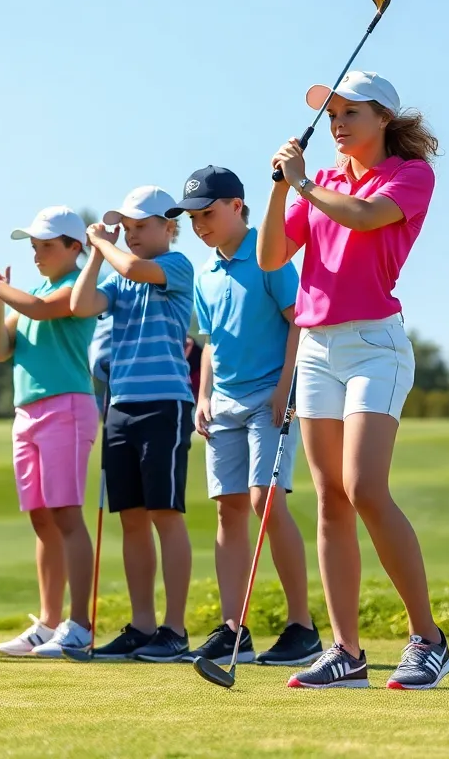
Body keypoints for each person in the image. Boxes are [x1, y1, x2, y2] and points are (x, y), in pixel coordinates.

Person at [257, 70, 449, 690]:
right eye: (332, 113)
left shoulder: (409, 176)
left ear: (383, 121)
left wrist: (305, 185)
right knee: (330, 498)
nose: (338, 123)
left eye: (351, 112)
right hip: (316, 347)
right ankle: (346, 651)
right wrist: (278, 191)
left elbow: (367, 218)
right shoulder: (324, 184)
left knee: (365, 487)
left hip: (375, 345)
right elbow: (268, 257)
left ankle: (429, 638)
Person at [171, 165, 322, 666]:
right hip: (225, 403)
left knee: (265, 500)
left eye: (207, 214)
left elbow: (297, 324)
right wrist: (204, 396)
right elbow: (211, 342)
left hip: (268, 397)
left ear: (237, 206)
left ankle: (302, 627)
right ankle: (234, 627)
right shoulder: (207, 273)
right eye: (192, 218)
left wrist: (286, 389)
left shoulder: (269, 254)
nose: (199, 225)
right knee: (228, 508)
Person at [0, 206, 99, 658]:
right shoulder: (31, 290)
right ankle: (48, 623)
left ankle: (79, 625)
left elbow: (40, 308)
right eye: (33, 246)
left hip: (67, 408)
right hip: (28, 414)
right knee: (42, 519)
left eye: (46, 246)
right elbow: (0, 350)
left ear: (74, 247)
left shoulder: (76, 287)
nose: (37, 253)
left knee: (66, 516)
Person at [70, 186, 195, 661]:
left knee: (165, 514)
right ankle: (143, 626)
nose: (133, 234)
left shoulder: (176, 266)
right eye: (129, 227)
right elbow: (81, 305)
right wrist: (96, 254)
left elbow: (133, 267)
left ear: (169, 227)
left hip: (165, 404)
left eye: (142, 226)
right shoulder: (119, 276)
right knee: (132, 519)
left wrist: (102, 243)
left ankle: (175, 629)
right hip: (120, 406)